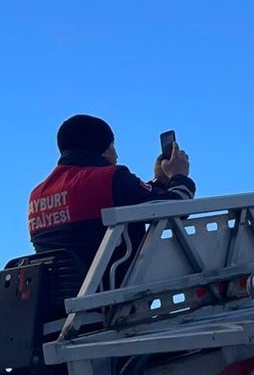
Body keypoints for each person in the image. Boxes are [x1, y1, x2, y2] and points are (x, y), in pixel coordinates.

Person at [27, 114, 194, 277]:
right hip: (109, 290)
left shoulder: (37, 194)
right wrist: (179, 176)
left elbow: (134, 200)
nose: (116, 155)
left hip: (59, 296)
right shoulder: (111, 178)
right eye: (113, 146)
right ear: (106, 150)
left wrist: (161, 180)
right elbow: (178, 207)